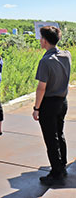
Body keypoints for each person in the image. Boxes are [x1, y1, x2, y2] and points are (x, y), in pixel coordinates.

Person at [33, 26, 71, 186]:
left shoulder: (45, 61)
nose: (40, 40)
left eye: (41, 38)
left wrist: (36, 108)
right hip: (62, 102)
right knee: (59, 134)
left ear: (45, 41)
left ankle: (56, 173)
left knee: (51, 139)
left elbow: (42, 87)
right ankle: (62, 165)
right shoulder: (66, 55)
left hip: (49, 103)